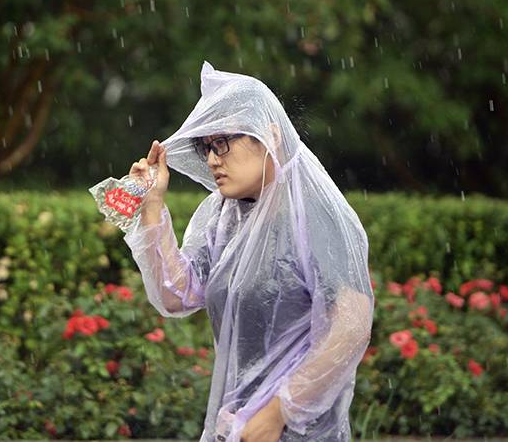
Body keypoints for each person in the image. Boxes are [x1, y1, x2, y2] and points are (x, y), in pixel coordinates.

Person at [124, 61, 374, 442]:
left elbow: (351, 325)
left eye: (222, 143)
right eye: (207, 147)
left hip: (297, 432)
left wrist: (281, 410)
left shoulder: (314, 216)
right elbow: (177, 294)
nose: (211, 159)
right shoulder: (224, 218)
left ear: (269, 135)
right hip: (235, 426)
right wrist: (153, 205)